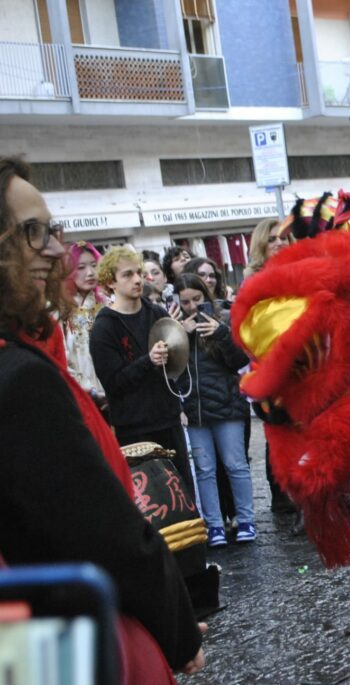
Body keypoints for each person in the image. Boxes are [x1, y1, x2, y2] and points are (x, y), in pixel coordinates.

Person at [0, 156, 205, 681]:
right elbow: (102, 531)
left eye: (53, 230)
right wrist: (177, 628)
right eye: (31, 232)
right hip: (66, 637)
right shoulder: (19, 377)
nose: (52, 249)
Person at [90, 246, 194, 497]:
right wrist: (148, 361)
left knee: (182, 495)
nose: (137, 279)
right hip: (134, 428)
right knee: (153, 502)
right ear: (110, 282)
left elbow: (176, 366)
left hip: (167, 418)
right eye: (127, 274)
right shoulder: (104, 327)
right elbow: (113, 382)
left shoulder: (155, 312)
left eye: (138, 272)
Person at [173, 273, 256, 547]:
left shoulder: (223, 317)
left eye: (197, 299)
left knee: (235, 465)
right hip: (193, 405)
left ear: (205, 296)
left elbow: (239, 360)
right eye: (185, 301)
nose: (192, 307)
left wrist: (222, 334)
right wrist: (178, 336)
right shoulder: (173, 325)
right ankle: (215, 525)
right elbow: (171, 369)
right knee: (204, 469)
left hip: (225, 402)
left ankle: (246, 520)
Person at [243, 216, 295, 515]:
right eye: (272, 239)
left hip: (300, 361)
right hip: (268, 365)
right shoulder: (254, 279)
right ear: (261, 244)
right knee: (277, 432)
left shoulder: (298, 270)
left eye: (283, 238)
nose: (278, 243)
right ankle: (282, 493)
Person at [61, 240, 107, 409]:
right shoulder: (60, 309)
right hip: (78, 396)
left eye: (94, 265)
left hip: (111, 393)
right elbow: (61, 358)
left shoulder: (107, 305)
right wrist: (88, 391)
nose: (90, 273)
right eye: (81, 268)